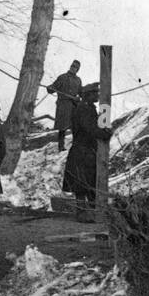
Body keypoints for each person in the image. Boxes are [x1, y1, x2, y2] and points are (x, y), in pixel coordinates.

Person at [62, 83, 112, 214]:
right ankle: (82, 213)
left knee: (88, 183)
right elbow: (89, 128)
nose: (97, 95)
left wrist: (105, 126)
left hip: (87, 150)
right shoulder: (83, 109)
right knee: (81, 184)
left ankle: (90, 211)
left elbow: (98, 125)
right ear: (88, 95)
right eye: (95, 93)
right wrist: (105, 134)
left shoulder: (89, 108)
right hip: (82, 151)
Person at [46, 60, 83, 151]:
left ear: (77, 70)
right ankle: (61, 146)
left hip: (74, 105)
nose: (73, 68)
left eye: (75, 68)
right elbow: (53, 88)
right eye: (72, 66)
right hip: (63, 105)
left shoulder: (78, 80)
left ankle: (76, 145)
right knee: (62, 127)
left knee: (75, 126)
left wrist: (84, 95)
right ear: (70, 67)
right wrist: (49, 88)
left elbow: (81, 92)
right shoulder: (62, 77)